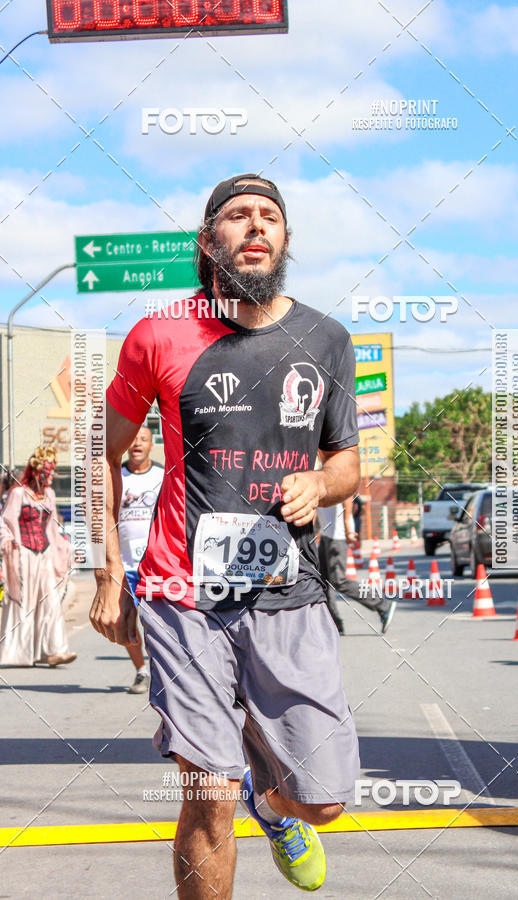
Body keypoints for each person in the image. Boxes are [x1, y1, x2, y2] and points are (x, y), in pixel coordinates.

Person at [90, 173, 361, 897]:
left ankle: (272, 808)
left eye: (269, 216)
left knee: (322, 800)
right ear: (209, 242)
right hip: (183, 599)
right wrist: (109, 575)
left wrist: (320, 483)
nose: (256, 226)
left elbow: (347, 462)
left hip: (288, 592)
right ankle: (232, 786)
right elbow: (103, 455)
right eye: (237, 216)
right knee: (207, 792)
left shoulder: (326, 339)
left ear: (285, 239)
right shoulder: (159, 335)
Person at [0, 446, 75, 667]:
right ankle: (22, 653)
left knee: (51, 601)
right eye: (47, 471)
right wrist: (9, 542)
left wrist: (63, 547)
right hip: (23, 555)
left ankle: (55, 650)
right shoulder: (18, 494)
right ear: (35, 471)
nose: (50, 476)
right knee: (25, 603)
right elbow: (4, 522)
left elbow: (51, 528)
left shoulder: (49, 494)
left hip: (44, 555)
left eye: (52, 472)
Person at [118, 426, 164, 693]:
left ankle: (161, 672)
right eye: (133, 438)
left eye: (143, 439)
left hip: (154, 563)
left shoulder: (161, 475)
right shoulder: (118, 475)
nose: (137, 444)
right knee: (126, 621)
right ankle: (141, 671)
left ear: (151, 444)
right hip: (125, 564)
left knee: (156, 624)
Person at [318, 499, 395, 634]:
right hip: (326, 536)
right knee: (323, 582)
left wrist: (348, 527)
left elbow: (347, 497)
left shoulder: (337, 478)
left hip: (337, 537)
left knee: (338, 580)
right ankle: (335, 624)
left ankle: (382, 604)